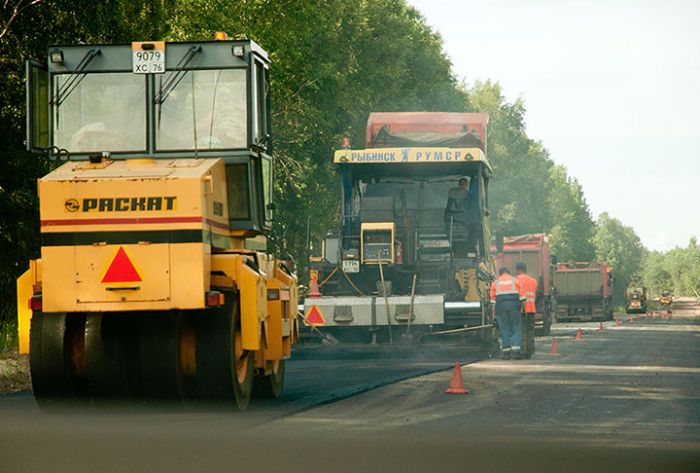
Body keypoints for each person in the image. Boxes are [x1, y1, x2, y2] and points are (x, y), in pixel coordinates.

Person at [490, 267, 526, 359]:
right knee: (516, 328)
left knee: (504, 329)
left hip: (501, 309)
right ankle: (516, 351)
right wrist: (523, 310)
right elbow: (522, 298)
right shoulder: (516, 281)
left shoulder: (495, 283)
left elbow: (493, 302)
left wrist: (494, 315)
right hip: (514, 308)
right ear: (509, 273)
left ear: (500, 274)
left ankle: (506, 352)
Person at [515, 262, 538, 359]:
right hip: (532, 309)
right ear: (525, 269)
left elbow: (516, 296)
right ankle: (530, 350)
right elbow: (534, 296)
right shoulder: (534, 281)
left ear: (517, 270)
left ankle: (523, 351)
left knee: (522, 330)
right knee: (530, 331)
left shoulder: (516, 280)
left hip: (521, 309)